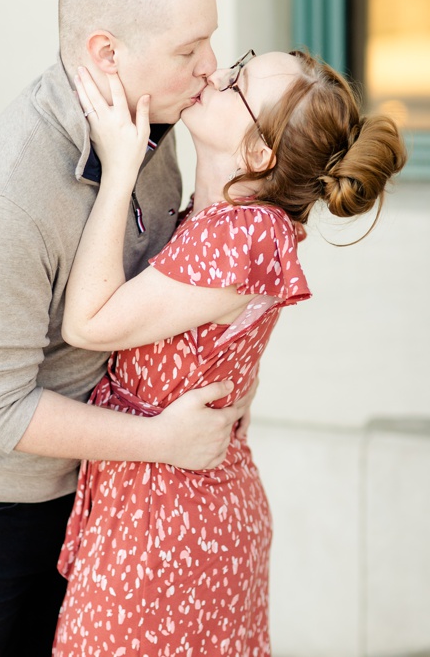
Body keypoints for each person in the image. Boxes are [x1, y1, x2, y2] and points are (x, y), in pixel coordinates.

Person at [0, 0, 250, 655]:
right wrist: (164, 442)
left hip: (88, 480)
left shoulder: (153, 127)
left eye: (210, 42)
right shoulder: (5, 199)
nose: (211, 67)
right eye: (191, 50)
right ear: (106, 53)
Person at [52, 52, 406, 653]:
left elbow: (88, 323)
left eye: (236, 83)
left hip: (166, 529)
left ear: (257, 155)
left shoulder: (239, 234)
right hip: (197, 512)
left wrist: (118, 169)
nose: (215, 76)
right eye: (237, 64)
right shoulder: (247, 224)